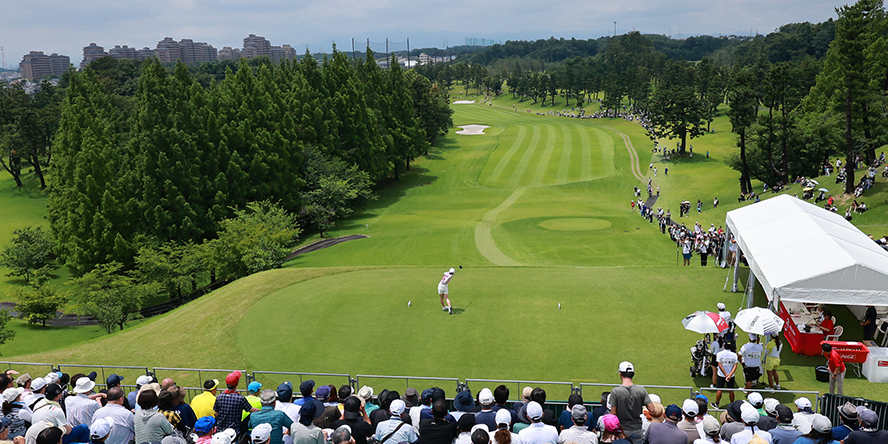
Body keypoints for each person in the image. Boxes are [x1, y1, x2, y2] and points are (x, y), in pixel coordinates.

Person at [609, 362, 655, 444]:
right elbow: (652, 409)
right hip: (637, 428)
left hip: (622, 430)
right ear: (633, 374)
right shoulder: (641, 390)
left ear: (620, 374)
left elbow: (613, 413)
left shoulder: (616, 392)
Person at [713, 343, 738, 409]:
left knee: (719, 390)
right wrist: (729, 375)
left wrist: (726, 375)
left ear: (724, 346)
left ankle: (717, 404)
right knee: (731, 391)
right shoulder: (734, 355)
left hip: (721, 375)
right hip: (731, 376)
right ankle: (732, 405)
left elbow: (720, 365)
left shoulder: (719, 354)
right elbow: (735, 366)